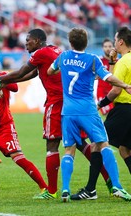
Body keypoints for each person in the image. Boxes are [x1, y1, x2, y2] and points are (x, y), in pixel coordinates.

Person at [0, 28, 111, 199]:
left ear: (37, 41)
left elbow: (22, 71)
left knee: (52, 145)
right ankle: (109, 180)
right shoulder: (53, 50)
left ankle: (51, 191)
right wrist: (5, 82)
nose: (26, 43)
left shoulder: (41, 52)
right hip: (70, 102)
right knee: (81, 142)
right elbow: (32, 74)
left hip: (56, 103)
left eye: (28, 40)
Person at [47, 27, 131, 202]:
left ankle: (65, 190)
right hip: (88, 110)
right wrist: (124, 85)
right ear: (87, 42)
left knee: (69, 150)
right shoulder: (92, 60)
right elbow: (108, 77)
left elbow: (50, 71)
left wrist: (61, 70)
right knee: (103, 144)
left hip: (68, 111)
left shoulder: (63, 57)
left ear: (70, 43)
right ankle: (117, 186)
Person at [0, 49, 49, 196]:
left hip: (5, 128)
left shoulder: (3, 76)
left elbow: (15, 87)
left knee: (19, 158)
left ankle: (44, 188)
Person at [77, 26, 131, 201]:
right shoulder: (124, 60)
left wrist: (100, 104)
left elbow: (116, 89)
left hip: (124, 110)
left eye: (115, 40)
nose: (114, 43)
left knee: (97, 142)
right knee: (125, 149)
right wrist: (113, 62)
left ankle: (90, 190)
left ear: (121, 41)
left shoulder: (125, 61)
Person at [96, 38, 114, 115]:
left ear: (113, 47)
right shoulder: (98, 61)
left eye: (110, 46)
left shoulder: (117, 61)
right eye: (105, 46)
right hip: (102, 92)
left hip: (113, 92)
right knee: (107, 113)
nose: (108, 48)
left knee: (114, 113)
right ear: (102, 48)